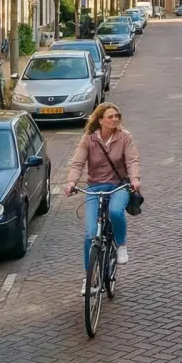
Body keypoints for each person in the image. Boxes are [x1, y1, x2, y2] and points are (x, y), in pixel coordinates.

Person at [64, 103, 141, 289]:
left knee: (115, 212)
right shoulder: (89, 139)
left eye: (117, 116)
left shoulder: (125, 137)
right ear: (100, 120)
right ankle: (88, 278)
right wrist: (71, 182)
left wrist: (135, 179)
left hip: (118, 186)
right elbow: (77, 163)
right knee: (90, 233)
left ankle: (121, 245)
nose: (115, 119)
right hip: (94, 188)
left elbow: (132, 160)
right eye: (110, 117)